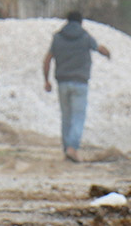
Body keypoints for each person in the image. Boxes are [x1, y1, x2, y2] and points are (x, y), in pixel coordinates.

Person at [41, 10, 111, 161]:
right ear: (81, 22)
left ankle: (67, 149)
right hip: (80, 82)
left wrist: (46, 80)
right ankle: (72, 148)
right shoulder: (85, 37)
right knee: (78, 117)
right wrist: (107, 53)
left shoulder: (57, 38)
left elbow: (47, 59)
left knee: (66, 117)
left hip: (62, 82)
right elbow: (99, 48)